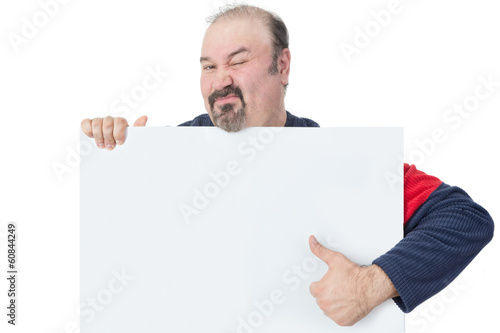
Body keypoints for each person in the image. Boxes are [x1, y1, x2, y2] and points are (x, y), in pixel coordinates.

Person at [80, 5, 494, 327]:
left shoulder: (346, 160)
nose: (219, 79)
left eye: (237, 61)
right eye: (208, 66)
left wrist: (375, 284)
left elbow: (464, 219)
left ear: (282, 66)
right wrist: (119, 160)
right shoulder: (165, 154)